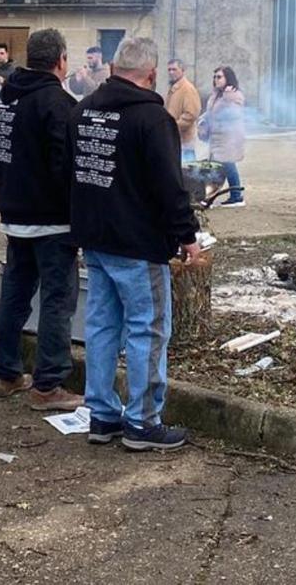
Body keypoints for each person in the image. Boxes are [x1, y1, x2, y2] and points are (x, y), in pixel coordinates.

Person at [68, 36, 201, 451]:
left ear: (113, 68)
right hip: (138, 243)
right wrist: (187, 234)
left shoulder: (83, 110)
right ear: (151, 74)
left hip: (95, 238)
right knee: (148, 328)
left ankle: (103, 416)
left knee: (102, 326)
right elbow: (169, 185)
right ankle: (143, 423)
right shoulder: (153, 118)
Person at [0, 28, 83, 410]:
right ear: (61, 60)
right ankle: (48, 384)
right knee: (58, 299)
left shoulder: (5, 96)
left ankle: (6, 372)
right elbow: (65, 165)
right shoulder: (57, 102)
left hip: (14, 214)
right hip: (52, 221)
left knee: (14, 293)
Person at [201, 66, 247, 207]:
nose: (216, 80)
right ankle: (211, 197)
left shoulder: (234, 95)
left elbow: (234, 114)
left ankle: (236, 197)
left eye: (219, 77)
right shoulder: (216, 95)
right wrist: (203, 122)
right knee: (217, 168)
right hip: (217, 138)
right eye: (215, 77)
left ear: (228, 78)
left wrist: (227, 98)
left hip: (228, 138)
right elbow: (210, 114)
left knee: (227, 166)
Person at [165, 59, 201, 162]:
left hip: (185, 142)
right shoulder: (174, 88)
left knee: (188, 173)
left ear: (183, 70)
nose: (171, 72)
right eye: (169, 70)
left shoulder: (187, 89)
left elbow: (191, 115)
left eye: (174, 69)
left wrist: (172, 127)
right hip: (174, 141)